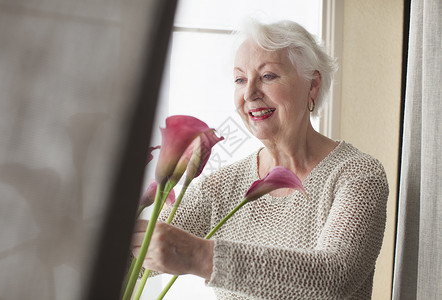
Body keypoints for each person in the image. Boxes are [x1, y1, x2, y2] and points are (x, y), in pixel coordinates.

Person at [131, 19, 389, 299]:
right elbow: (139, 259)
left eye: (268, 76)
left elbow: (333, 277)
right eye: (240, 79)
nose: (250, 93)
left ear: (312, 85)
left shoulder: (357, 175)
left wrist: (200, 256)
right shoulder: (220, 187)